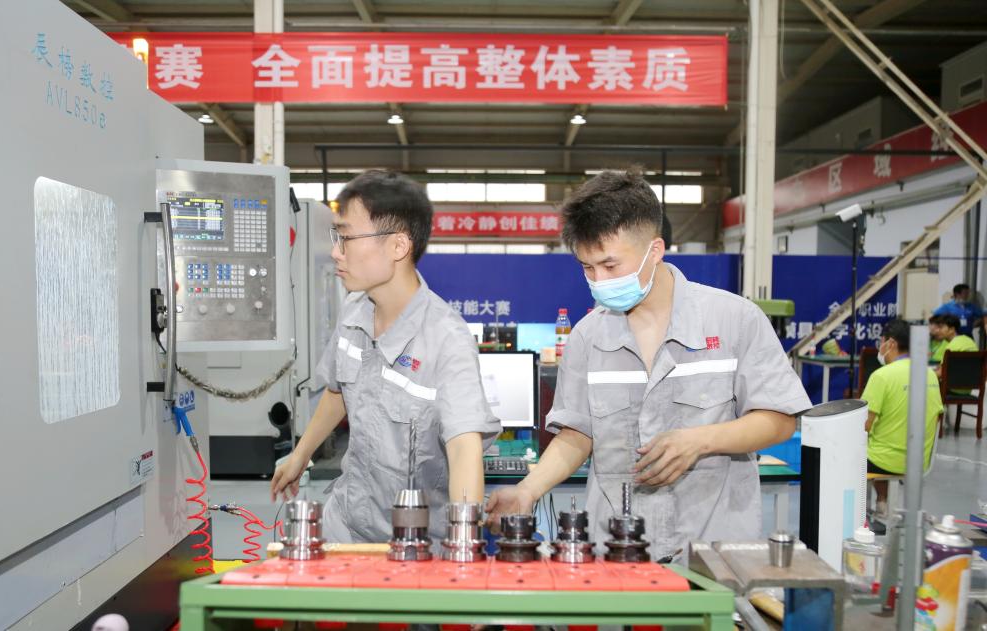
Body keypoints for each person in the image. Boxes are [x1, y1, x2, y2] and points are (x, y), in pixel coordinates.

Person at [486, 169, 812, 561]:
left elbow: (779, 419)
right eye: (587, 267)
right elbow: (577, 435)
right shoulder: (588, 337)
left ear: (654, 250)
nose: (599, 280)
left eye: (610, 265)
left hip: (712, 550)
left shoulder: (734, 320)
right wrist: (527, 490)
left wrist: (701, 440)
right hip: (616, 550)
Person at [270, 170, 501, 543]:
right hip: (346, 523)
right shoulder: (354, 309)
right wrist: (301, 454)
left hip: (413, 540)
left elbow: (464, 450)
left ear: (397, 246)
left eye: (346, 238)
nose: (336, 252)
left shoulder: (446, 339)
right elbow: (338, 390)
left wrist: (463, 545)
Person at [861, 319, 943, 515]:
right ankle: (883, 501)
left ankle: (865, 509)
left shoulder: (882, 376)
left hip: (883, 461)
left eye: (881, 341)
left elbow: (863, 425)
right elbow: (936, 417)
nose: (880, 347)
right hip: (919, 461)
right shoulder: (930, 375)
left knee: (848, 449)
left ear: (891, 343)